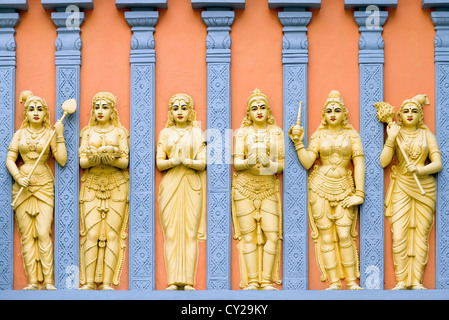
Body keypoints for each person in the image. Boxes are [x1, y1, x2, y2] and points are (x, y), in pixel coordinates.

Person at [288, 90, 364, 290]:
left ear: (344, 114)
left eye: (337, 110)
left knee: (345, 234)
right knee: (327, 237)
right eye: (329, 110)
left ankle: (351, 282)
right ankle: (333, 283)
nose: (333, 114)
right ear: (324, 114)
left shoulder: (351, 135)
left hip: (345, 188)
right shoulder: (318, 135)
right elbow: (307, 163)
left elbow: (359, 163)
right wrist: (297, 142)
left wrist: (360, 193)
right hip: (320, 186)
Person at [6, 90, 67, 290]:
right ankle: (32, 281)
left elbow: (62, 160)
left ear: (45, 113)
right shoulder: (19, 134)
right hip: (23, 184)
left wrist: (59, 136)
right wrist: (18, 177)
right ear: (26, 113)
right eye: (31, 109)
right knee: (26, 235)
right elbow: (10, 159)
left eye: (40, 109)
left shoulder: (49, 134)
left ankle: (48, 281)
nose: (35, 112)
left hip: (43, 184)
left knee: (42, 232)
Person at [380, 94, 442, 290]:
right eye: (405, 111)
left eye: (414, 111)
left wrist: (421, 169)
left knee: (420, 234)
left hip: (424, 188)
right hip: (401, 186)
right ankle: (401, 280)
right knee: (399, 234)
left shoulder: (427, 135)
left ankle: (416, 280)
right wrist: (390, 139)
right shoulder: (396, 134)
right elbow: (383, 162)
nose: (409, 114)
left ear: (420, 116)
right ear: (399, 115)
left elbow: (438, 164)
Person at [232, 89, 284, 290]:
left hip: (268, 187)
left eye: (262, 107)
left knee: (271, 235)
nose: (259, 111)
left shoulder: (276, 132)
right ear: (249, 113)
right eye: (254, 108)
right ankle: (253, 281)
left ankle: (266, 280)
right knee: (248, 236)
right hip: (244, 187)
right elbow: (237, 163)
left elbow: (281, 165)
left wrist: (268, 164)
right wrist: (248, 162)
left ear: (268, 111)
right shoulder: (243, 133)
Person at [79, 92, 129, 290]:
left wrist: (112, 160)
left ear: (112, 111)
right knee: (91, 234)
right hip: (91, 185)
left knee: (112, 234)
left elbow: (125, 161)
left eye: (105, 107)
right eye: (97, 107)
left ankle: (107, 283)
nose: (100, 111)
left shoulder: (119, 132)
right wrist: (94, 159)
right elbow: (82, 161)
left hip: (116, 185)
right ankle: (90, 282)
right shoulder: (88, 132)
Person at [156, 93, 206, 291]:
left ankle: (188, 281)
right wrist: (173, 161)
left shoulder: (197, 133)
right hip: (170, 185)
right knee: (170, 233)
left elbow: (202, 164)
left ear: (190, 111)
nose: (179, 112)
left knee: (190, 233)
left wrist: (186, 161)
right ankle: (172, 281)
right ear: (170, 112)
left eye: (183, 108)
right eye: (175, 108)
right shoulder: (165, 134)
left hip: (191, 184)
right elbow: (160, 163)